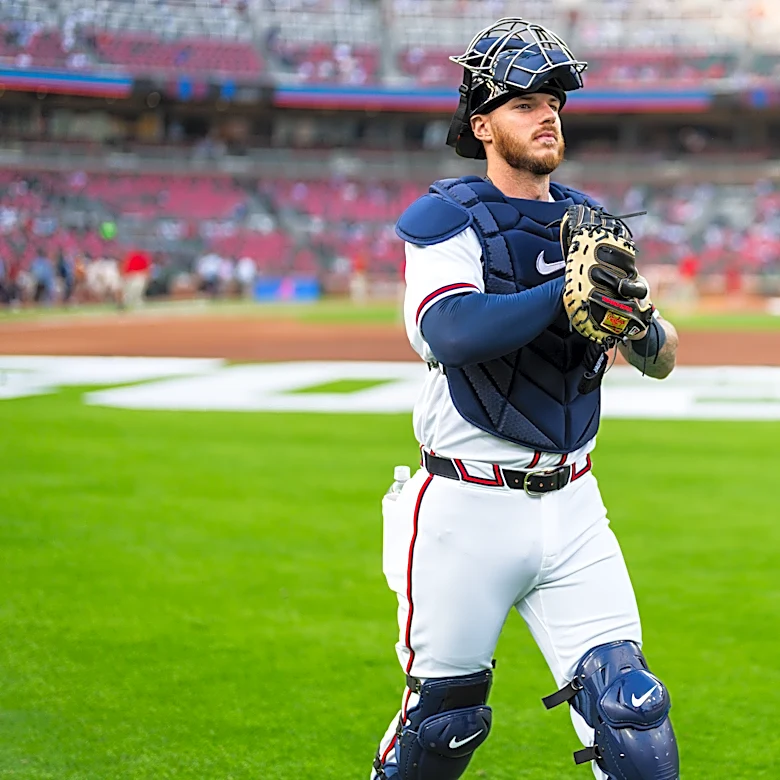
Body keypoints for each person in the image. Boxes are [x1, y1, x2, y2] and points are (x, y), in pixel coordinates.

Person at [371, 18, 680, 780]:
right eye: (523, 104)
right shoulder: (450, 216)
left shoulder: (594, 223)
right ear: (481, 125)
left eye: (554, 103)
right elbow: (446, 329)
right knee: (444, 726)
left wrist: (640, 322)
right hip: (464, 507)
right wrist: (559, 293)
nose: (548, 115)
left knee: (634, 715)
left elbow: (664, 356)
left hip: (575, 504)